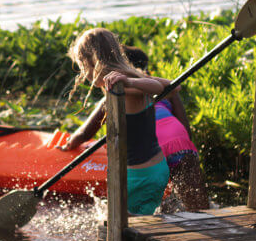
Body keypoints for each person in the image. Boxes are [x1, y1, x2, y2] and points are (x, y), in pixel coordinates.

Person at [61, 44, 208, 211]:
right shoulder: (157, 86)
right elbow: (185, 128)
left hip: (151, 151)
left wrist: (68, 145)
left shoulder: (117, 91)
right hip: (180, 142)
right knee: (197, 206)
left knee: (141, 206)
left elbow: (84, 134)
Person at [62, 28, 171, 215]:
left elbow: (158, 87)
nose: (83, 73)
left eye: (82, 66)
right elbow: (170, 86)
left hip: (138, 178)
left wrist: (130, 82)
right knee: (141, 225)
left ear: (91, 61)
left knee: (120, 232)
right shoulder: (128, 76)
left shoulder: (123, 83)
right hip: (157, 170)